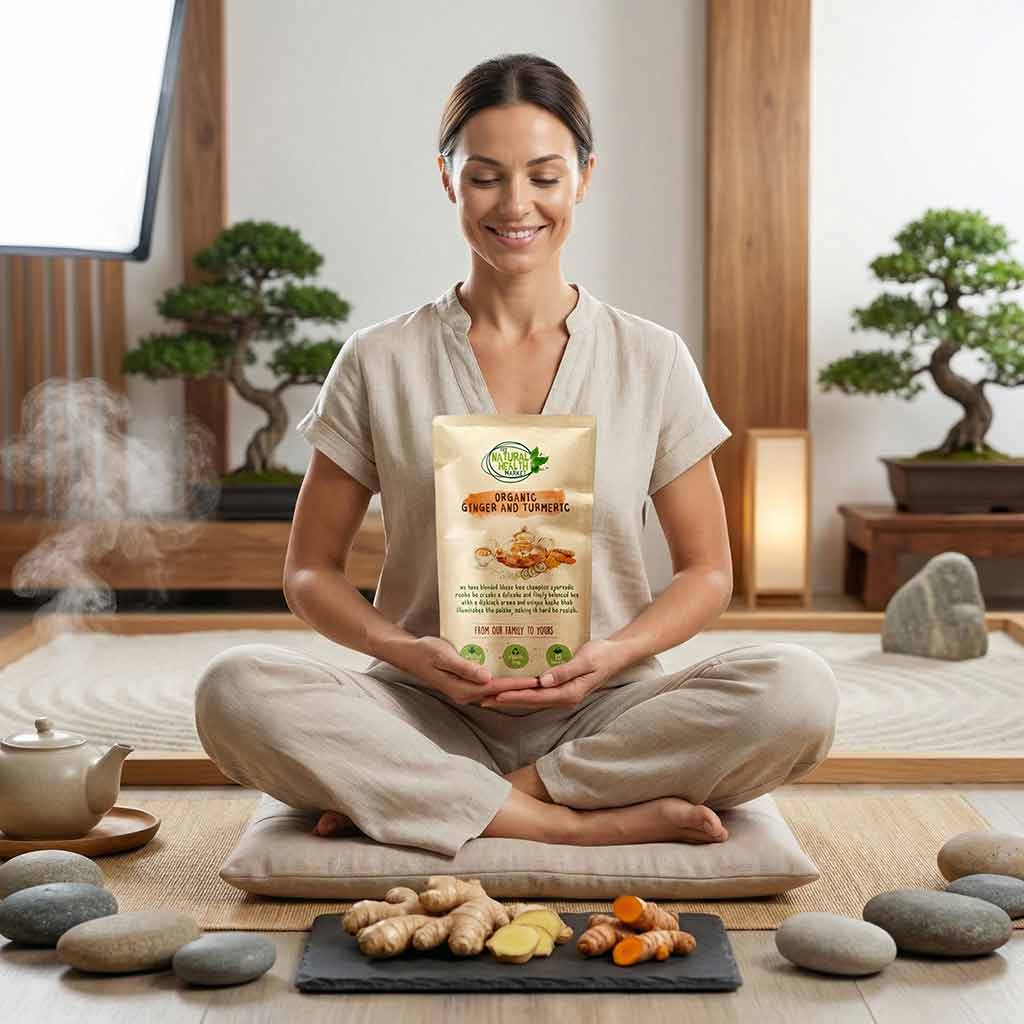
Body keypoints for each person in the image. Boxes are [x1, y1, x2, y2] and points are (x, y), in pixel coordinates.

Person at [194, 53, 839, 859]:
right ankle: (567, 821)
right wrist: (406, 653)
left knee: (797, 691)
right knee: (235, 689)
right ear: (447, 180)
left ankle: (454, 801)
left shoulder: (651, 357)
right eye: (486, 177)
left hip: (606, 709)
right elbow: (309, 573)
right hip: (423, 709)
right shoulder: (379, 358)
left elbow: (708, 571)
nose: (517, 205)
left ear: (584, 177)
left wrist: (615, 654)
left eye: (543, 175)